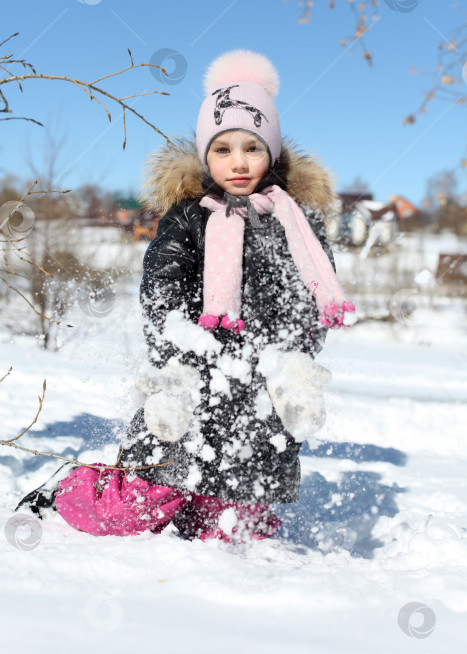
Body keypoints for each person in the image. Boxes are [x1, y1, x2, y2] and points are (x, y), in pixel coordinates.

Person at [16, 50, 355, 543]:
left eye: (252, 148)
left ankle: (204, 511)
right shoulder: (188, 218)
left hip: (260, 400)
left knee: (235, 536)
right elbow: (161, 291)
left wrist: (292, 362)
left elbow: (310, 300)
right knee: (133, 508)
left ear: (273, 154)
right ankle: (68, 489)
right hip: (192, 382)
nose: (238, 162)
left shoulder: (297, 223)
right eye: (223, 149)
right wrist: (179, 354)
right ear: (205, 155)